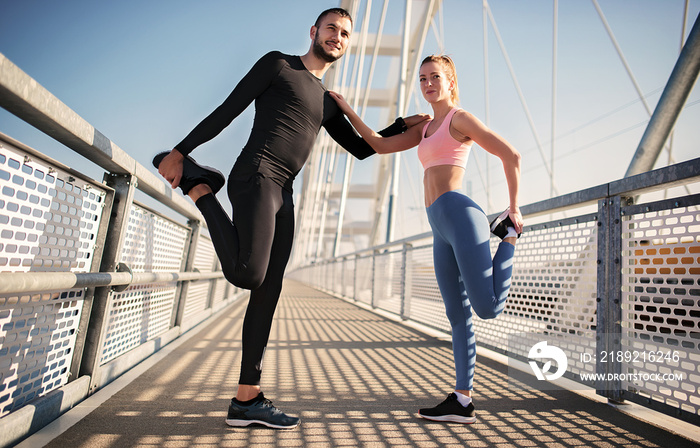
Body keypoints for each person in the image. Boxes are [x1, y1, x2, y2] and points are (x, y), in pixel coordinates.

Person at [153, 8, 429, 429]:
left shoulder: (327, 101)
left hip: (285, 192)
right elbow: (229, 108)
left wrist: (401, 125)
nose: (338, 36)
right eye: (332, 28)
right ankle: (201, 187)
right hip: (257, 174)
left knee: (267, 290)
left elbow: (364, 149)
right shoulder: (278, 64)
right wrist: (179, 150)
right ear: (315, 31)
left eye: (346, 33)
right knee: (248, 274)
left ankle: (247, 399)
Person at [329, 54, 523, 424]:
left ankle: (509, 238)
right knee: (456, 314)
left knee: (487, 309)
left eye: (435, 77)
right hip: (439, 223)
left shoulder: (458, 119)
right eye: (422, 78)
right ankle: (463, 401)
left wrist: (514, 208)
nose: (428, 83)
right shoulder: (426, 127)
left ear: (450, 80)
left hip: (461, 215)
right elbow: (375, 144)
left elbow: (510, 154)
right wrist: (347, 109)